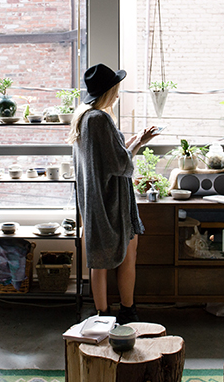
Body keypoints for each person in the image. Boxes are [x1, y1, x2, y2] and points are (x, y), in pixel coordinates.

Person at [68, 63, 159, 324]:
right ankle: (128, 312)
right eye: (116, 89)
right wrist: (139, 144)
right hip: (113, 203)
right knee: (128, 254)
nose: (118, 94)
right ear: (108, 91)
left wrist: (133, 141)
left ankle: (102, 316)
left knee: (98, 260)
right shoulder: (101, 119)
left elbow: (107, 156)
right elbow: (120, 165)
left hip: (94, 202)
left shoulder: (84, 118)